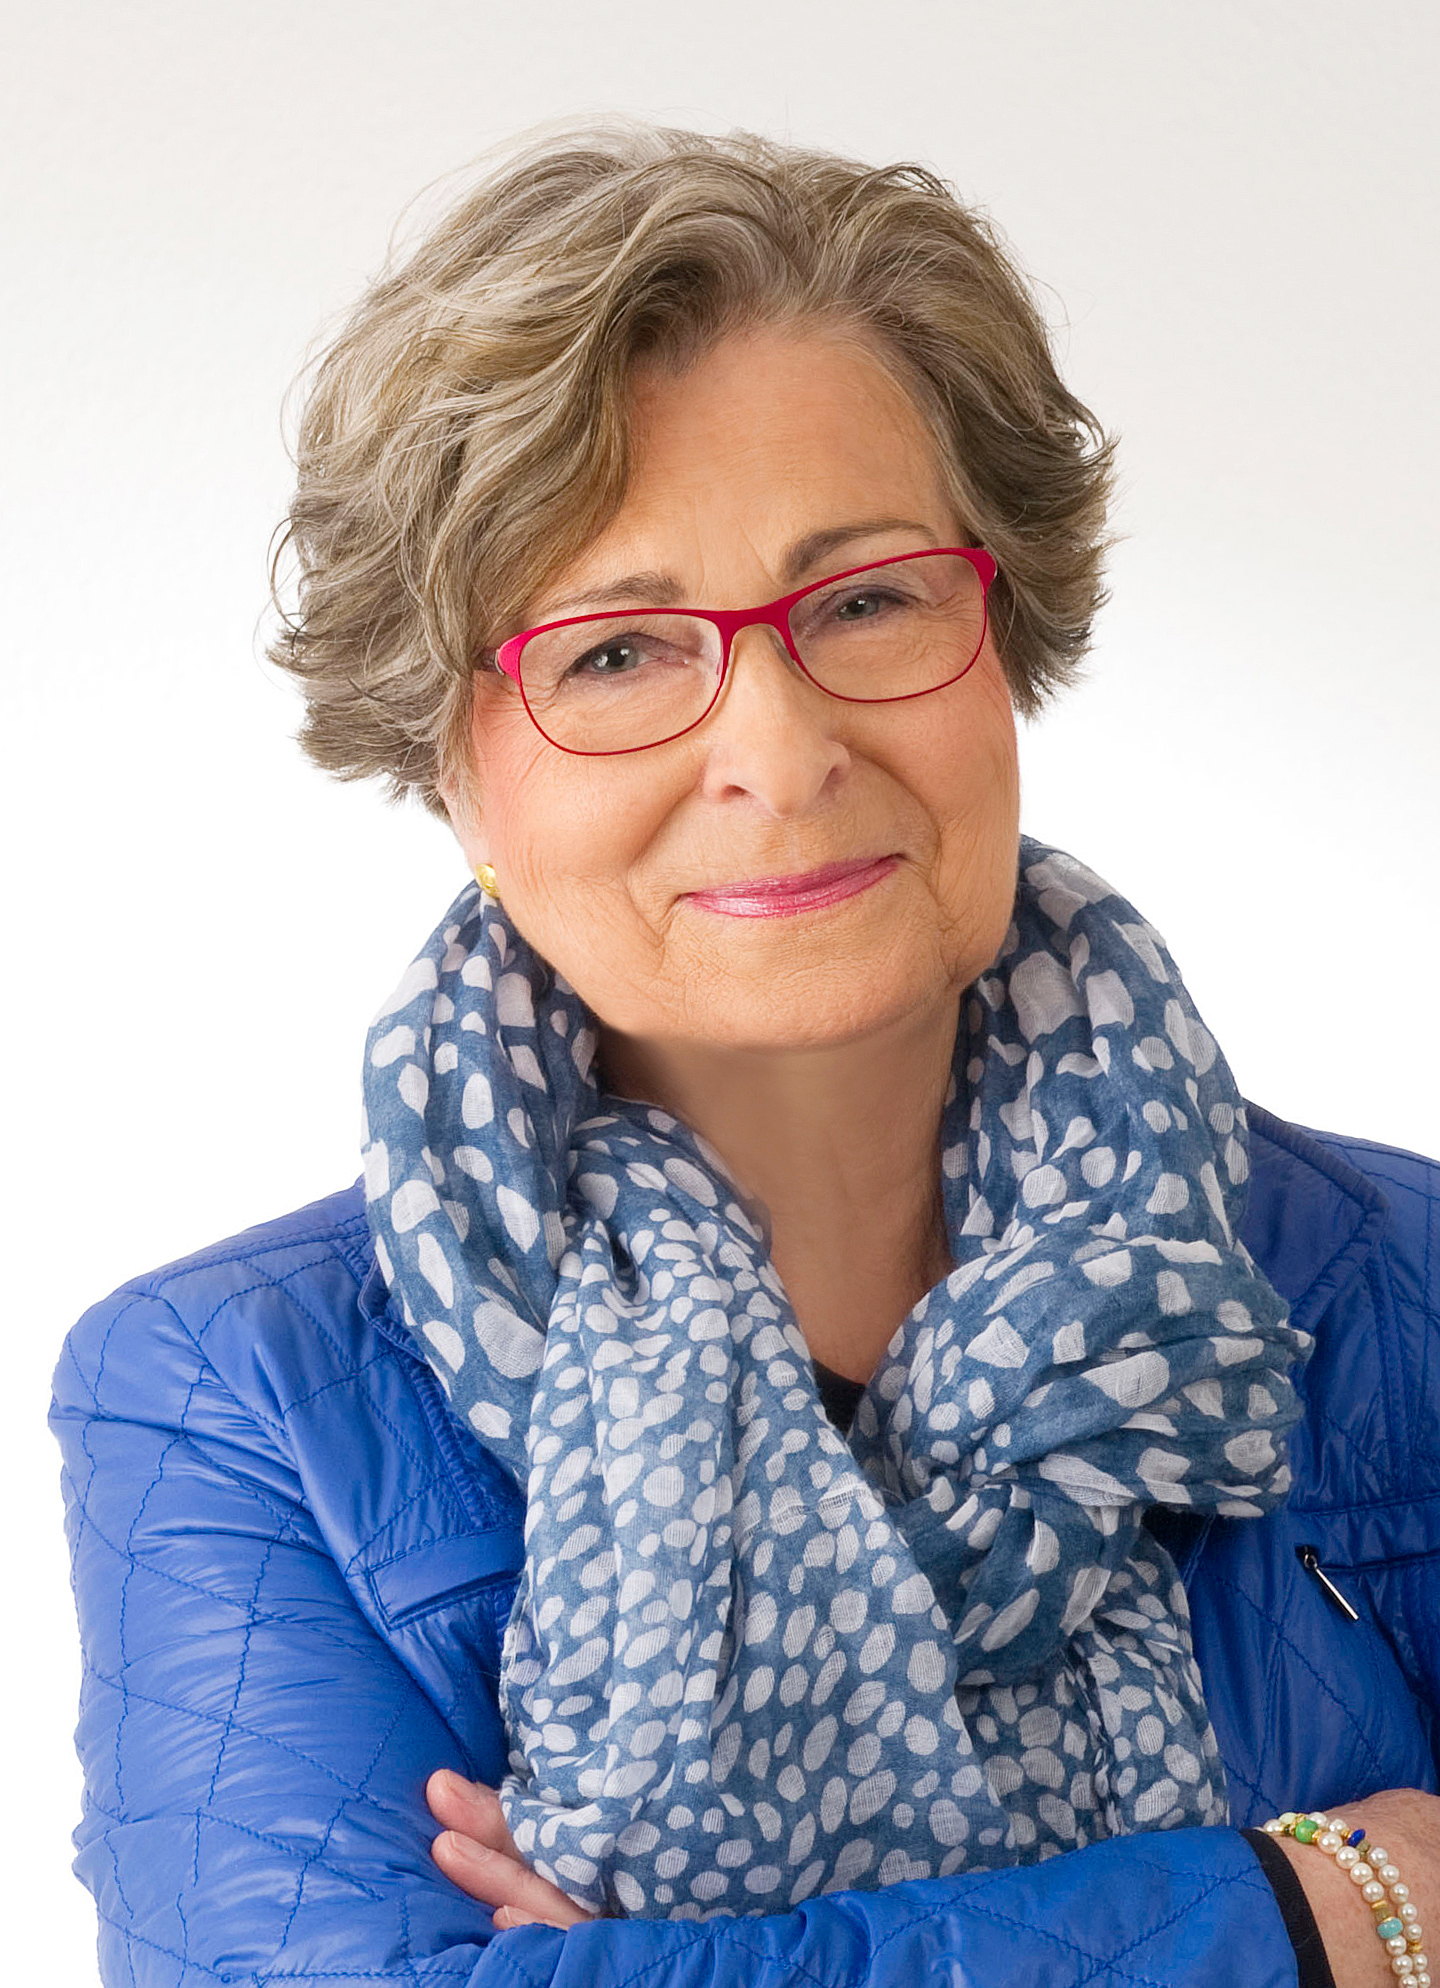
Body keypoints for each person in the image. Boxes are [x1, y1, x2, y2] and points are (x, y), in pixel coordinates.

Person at [51, 122, 1439, 1988]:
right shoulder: (236, 1402)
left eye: (866, 601)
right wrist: (1322, 1910)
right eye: (617, 654)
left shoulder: (1408, 1286)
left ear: (1005, 638)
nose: (778, 756)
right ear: (449, 767)